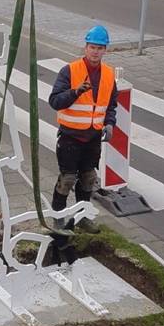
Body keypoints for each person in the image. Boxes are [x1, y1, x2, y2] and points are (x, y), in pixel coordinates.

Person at [49, 25, 118, 233]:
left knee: (88, 177)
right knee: (67, 178)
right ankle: (58, 218)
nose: (95, 51)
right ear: (85, 47)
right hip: (71, 136)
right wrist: (75, 92)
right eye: (92, 47)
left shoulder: (108, 74)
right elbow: (54, 101)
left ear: (105, 50)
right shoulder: (70, 71)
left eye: (100, 48)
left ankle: (82, 218)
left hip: (93, 136)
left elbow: (111, 104)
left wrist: (110, 123)